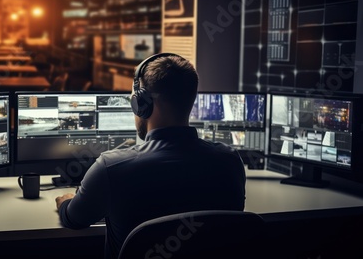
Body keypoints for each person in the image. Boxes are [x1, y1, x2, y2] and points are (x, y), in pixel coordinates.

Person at [55, 53, 246, 259]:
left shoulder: (110, 168)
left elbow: (74, 219)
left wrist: (65, 201)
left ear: (141, 103)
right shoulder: (230, 162)